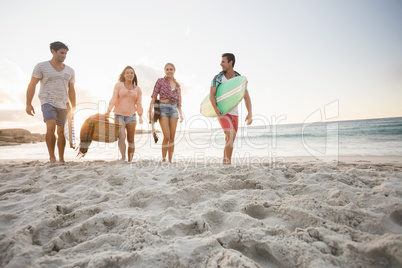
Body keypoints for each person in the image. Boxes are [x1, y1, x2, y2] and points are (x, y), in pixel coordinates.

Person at [25, 41, 76, 164]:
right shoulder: (41, 66)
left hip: (64, 103)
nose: (64, 55)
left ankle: (61, 158)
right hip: (47, 101)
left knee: (61, 132)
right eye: (61, 53)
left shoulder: (70, 70)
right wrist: (28, 103)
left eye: (65, 53)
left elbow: (72, 90)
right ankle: (52, 157)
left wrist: (74, 107)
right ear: (53, 51)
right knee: (51, 126)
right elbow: (32, 84)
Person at [210, 53, 253, 165]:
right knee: (231, 134)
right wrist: (215, 109)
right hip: (222, 112)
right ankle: (228, 163)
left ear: (230, 63)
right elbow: (211, 95)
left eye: (223, 61)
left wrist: (250, 113)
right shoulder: (218, 78)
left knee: (230, 139)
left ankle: (224, 162)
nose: (221, 64)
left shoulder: (239, 79)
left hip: (235, 113)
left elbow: (246, 97)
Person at [106, 66, 143, 162]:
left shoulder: (138, 89)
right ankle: (123, 157)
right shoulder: (118, 85)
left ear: (134, 75)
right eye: (128, 73)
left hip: (131, 116)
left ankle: (130, 161)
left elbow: (139, 103)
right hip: (119, 115)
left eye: (132, 73)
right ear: (124, 75)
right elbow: (114, 98)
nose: (130, 74)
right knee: (122, 137)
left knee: (131, 140)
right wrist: (108, 111)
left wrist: (140, 115)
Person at [149, 63, 184, 163]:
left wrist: (181, 114)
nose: (169, 71)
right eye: (167, 69)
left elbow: (179, 102)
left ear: (174, 71)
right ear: (164, 71)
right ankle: (163, 159)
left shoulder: (177, 86)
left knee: (172, 137)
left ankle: (170, 160)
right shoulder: (160, 81)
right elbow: (154, 95)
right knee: (167, 136)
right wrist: (150, 109)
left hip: (174, 110)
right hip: (162, 109)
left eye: (171, 69)